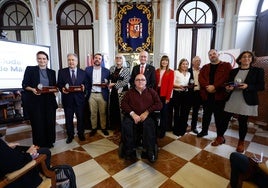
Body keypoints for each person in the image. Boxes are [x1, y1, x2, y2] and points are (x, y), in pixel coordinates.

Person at [212, 51, 265, 151]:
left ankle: (241, 142)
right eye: (244, 57)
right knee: (224, 119)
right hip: (233, 98)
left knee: (242, 122)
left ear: (252, 59)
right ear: (240, 59)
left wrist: (248, 86)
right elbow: (229, 84)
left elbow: (261, 86)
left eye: (249, 57)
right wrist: (228, 88)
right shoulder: (233, 71)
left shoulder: (258, 71)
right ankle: (220, 137)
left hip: (246, 100)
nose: (246, 58)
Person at [121, 74, 162, 163]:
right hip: (132, 116)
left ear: (146, 82)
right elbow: (123, 104)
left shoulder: (151, 92)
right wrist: (132, 114)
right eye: (138, 80)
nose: (140, 81)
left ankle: (149, 151)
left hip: (147, 116)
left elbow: (159, 104)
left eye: (143, 80)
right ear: (134, 82)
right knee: (127, 125)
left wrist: (147, 112)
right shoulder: (129, 92)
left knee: (149, 125)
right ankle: (129, 151)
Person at [22, 51, 58, 148]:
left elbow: (54, 86)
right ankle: (39, 143)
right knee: (37, 122)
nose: (42, 60)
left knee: (50, 121)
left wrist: (55, 90)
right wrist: (32, 89)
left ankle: (50, 141)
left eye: (44, 58)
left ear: (47, 60)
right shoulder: (30, 69)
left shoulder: (52, 72)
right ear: (37, 59)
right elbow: (24, 85)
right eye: (39, 58)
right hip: (36, 100)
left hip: (49, 100)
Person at [197, 49, 232, 139]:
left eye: (214, 54)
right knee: (206, 115)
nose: (212, 55)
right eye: (210, 55)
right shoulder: (205, 67)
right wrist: (207, 87)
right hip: (207, 95)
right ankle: (204, 131)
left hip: (219, 96)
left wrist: (215, 87)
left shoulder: (226, 65)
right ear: (208, 57)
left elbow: (227, 79)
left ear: (218, 54)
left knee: (219, 117)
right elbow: (201, 78)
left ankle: (220, 135)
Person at [57, 53, 87, 144]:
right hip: (67, 100)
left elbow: (87, 84)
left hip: (79, 100)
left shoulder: (83, 72)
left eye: (73, 60)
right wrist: (62, 89)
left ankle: (81, 133)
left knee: (80, 118)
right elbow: (59, 84)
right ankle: (70, 135)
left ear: (77, 61)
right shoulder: (61, 72)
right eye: (69, 60)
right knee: (68, 119)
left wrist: (84, 87)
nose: (71, 62)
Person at [85, 53, 110, 136]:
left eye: (99, 58)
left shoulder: (106, 71)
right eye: (96, 58)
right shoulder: (87, 69)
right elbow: (85, 82)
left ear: (101, 60)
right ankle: (94, 128)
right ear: (93, 59)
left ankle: (103, 128)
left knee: (103, 113)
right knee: (93, 113)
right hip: (91, 94)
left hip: (102, 94)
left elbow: (108, 82)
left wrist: (107, 84)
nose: (97, 59)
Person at [108, 54, 130, 133]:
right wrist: (109, 84)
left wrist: (114, 84)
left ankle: (122, 126)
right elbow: (109, 79)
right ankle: (114, 126)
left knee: (122, 109)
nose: (118, 59)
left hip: (122, 93)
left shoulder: (126, 70)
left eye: (120, 58)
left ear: (123, 59)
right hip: (113, 92)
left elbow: (125, 81)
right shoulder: (111, 68)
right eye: (116, 57)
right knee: (114, 109)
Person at [155, 55, 174, 138]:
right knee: (155, 112)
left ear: (168, 62)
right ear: (161, 61)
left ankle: (162, 131)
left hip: (164, 94)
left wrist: (168, 98)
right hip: (156, 93)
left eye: (166, 61)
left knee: (164, 113)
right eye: (163, 60)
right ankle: (155, 129)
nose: (164, 62)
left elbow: (170, 86)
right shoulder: (157, 71)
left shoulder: (171, 72)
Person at [172, 58, 192, 137]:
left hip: (185, 94)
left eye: (186, 64)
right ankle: (176, 130)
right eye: (183, 64)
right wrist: (179, 86)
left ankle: (182, 129)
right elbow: (172, 83)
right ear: (180, 65)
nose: (185, 65)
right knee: (177, 112)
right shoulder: (175, 72)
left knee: (184, 112)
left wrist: (188, 86)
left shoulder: (188, 74)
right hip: (177, 93)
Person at [188, 56, 202, 134]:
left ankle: (194, 127)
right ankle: (184, 124)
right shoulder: (188, 71)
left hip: (198, 93)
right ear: (193, 62)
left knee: (195, 111)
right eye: (196, 60)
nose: (198, 62)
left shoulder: (202, 71)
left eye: (199, 60)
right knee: (186, 110)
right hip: (189, 93)